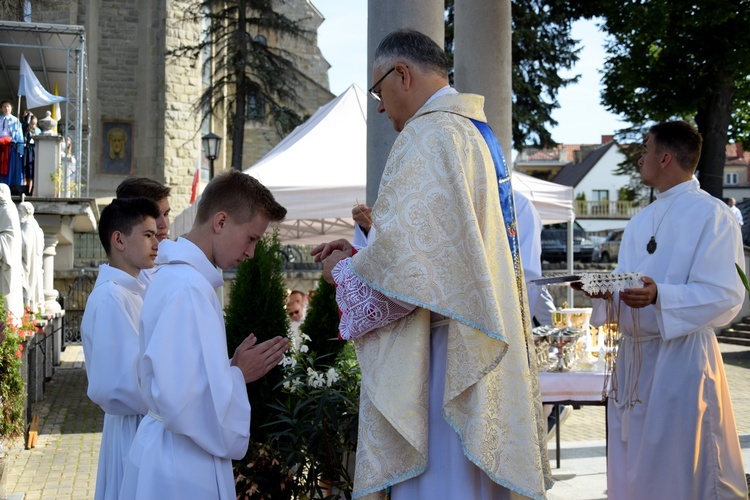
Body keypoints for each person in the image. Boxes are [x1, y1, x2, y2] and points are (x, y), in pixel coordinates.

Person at [312, 29, 550, 499]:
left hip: (443, 364)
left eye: (380, 91)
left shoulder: (427, 135)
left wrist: (341, 273)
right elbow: (439, 263)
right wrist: (364, 254)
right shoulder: (477, 136)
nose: (380, 107)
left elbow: (406, 282)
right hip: (475, 350)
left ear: (402, 74)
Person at [584, 121, 747, 499]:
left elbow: (725, 295)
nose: (641, 157)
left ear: (666, 157)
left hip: (683, 361)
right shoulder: (640, 220)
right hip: (636, 361)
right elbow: (628, 285)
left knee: (681, 466)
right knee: (634, 462)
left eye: (646, 149)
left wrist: (662, 296)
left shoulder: (714, 216)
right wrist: (602, 293)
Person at [119, 169, 291, 499]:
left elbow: (181, 378)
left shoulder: (181, 279)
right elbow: (184, 401)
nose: (251, 253)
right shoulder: (188, 288)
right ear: (221, 222)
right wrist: (239, 374)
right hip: (180, 464)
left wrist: (228, 367)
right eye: (251, 238)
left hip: (170, 450)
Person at [81, 197, 161, 500]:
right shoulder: (111, 299)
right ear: (119, 240)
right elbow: (116, 385)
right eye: (148, 235)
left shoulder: (133, 292)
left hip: (143, 424)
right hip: (132, 428)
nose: (156, 243)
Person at [116, 177, 171, 286]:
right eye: (154, 216)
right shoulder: (115, 290)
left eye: (166, 214)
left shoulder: (171, 261)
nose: (164, 224)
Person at [0, 183, 24, 323]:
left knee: (6, 293)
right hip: (7, 257)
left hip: (7, 259)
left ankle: (8, 324)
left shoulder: (7, 210)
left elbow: (8, 238)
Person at [18, 202, 43, 313]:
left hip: (29, 262)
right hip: (35, 262)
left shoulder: (28, 226)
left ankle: (27, 310)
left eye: (20, 211)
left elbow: (25, 245)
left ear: (25, 212)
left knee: (28, 287)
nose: (19, 214)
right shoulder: (36, 225)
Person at [0, 101, 24, 190]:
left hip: (11, 147)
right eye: (4, 107)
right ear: (1, 108)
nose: (6, 108)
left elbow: (19, 135)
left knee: (11, 167)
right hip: (1, 146)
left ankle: (11, 186)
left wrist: (20, 148)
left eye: (8, 107)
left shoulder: (15, 120)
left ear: (11, 108)